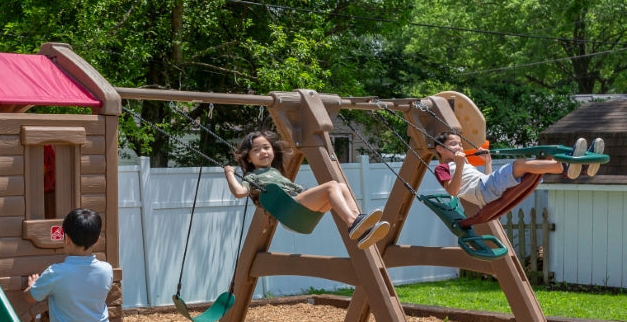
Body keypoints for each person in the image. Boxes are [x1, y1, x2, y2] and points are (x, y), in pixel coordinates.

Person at [224, 129, 391, 250]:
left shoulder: (274, 172)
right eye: (256, 150)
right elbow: (240, 192)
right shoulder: (253, 176)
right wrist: (230, 174)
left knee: (341, 186)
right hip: (291, 209)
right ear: (248, 158)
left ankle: (361, 227)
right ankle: (353, 223)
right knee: (332, 185)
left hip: (302, 213)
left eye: (266, 147)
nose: (263, 152)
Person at [431, 131, 600, 207]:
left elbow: (485, 180)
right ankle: (566, 165)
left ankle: (580, 165)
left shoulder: (463, 162)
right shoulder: (442, 168)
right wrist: (460, 165)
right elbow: (453, 191)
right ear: (439, 149)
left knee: (542, 160)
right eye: (453, 144)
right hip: (483, 192)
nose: (459, 147)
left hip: (486, 188)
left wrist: (487, 162)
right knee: (520, 164)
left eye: (460, 144)